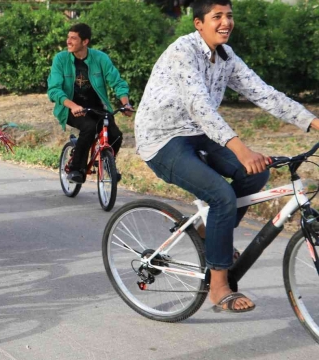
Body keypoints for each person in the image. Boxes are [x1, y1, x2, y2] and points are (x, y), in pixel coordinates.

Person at [134, 0, 319, 313]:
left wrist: (313, 122)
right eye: (216, 16)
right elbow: (199, 107)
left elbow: (265, 94)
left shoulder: (226, 56)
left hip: (199, 134)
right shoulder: (184, 51)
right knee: (221, 196)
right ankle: (219, 287)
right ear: (198, 23)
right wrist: (242, 149)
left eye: (229, 16)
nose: (225, 22)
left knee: (256, 173)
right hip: (162, 139)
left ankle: (209, 234)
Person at [47, 23, 133, 184]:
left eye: (73, 38)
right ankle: (75, 169)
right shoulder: (61, 59)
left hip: (97, 108)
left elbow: (117, 82)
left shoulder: (100, 58)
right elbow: (54, 90)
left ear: (85, 42)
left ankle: (107, 163)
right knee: (89, 127)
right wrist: (72, 106)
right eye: (68, 37)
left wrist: (125, 103)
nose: (68, 41)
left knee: (116, 135)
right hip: (70, 109)